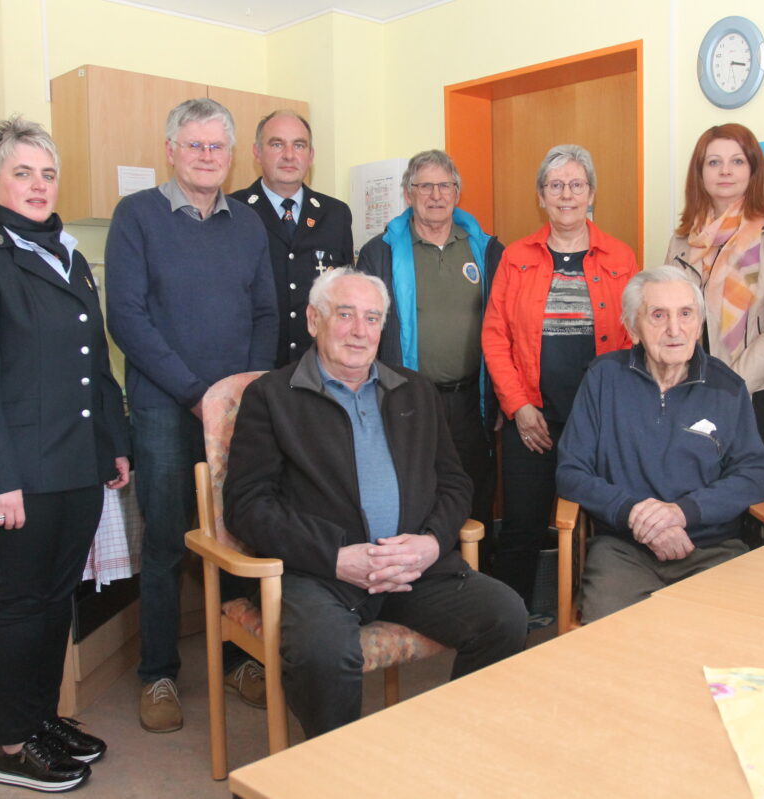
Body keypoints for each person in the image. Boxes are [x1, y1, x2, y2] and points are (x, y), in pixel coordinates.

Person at [222, 268, 527, 739]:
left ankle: (456, 743)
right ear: (313, 320)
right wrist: (335, 556)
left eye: (372, 318)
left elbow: (454, 482)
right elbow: (247, 504)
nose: (359, 331)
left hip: (414, 568)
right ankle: (337, 765)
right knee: (323, 653)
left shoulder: (415, 390)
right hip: (322, 573)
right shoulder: (271, 397)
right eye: (345, 315)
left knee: (505, 616)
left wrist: (430, 543)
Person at [0, 116, 128, 792]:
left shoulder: (69, 257)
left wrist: (113, 443)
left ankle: (40, 719)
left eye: (47, 174)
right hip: (13, 474)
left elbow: (95, 366)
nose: (39, 186)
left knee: (54, 600)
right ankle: (13, 745)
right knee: (17, 603)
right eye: (22, 173)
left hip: (74, 465)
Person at [105, 98, 278, 733]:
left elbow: (266, 312)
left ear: (231, 156)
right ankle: (158, 674)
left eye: (216, 147)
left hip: (233, 412)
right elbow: (126, 318)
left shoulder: (248, 225)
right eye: (195, 145)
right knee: (166, 541)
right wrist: (195, 393)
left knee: (235, 533)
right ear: (171, 151)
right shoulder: (137, 217)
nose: (206, 156)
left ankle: (236, 659)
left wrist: (243, 392)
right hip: (163, 407)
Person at [556, 266, 764, 623]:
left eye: (685, 314)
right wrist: (633, 513)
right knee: (611, 635)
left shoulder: (727, 387)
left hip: (709, 549)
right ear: (632, 328)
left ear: (699, 324)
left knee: (720, 631)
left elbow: (755, 474)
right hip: (624, 548)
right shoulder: (603, 379)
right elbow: (571, 472)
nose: (675, 329)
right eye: (658, 315)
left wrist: (681, 513)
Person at [481, 144, 635, 612]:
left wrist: (616, 412)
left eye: (576, 185)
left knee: (608, 524)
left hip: (600, 421)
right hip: (533, 420)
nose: (566, 195)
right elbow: (495, 337)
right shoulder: (516, 257)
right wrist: (518, 407)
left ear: (591, 193)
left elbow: (634, 338)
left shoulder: (620, 256)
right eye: (555, 186)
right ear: (541, 196)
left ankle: (597, 613)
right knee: (523, 525)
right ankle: (514, 621)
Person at [358, 150, 504, 542]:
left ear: (457, 192)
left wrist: (502, 398)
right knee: (414, 495)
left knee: (474, 493)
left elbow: (506, 328)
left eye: (444, 186)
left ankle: (474, 571)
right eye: (425, 186)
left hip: (472, 402)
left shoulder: (488, 250)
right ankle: (422, 571)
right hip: (407, 399)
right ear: (408, 194)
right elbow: (364, 330)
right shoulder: (380, 253)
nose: (436, 195)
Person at [663, 123, 764, 458]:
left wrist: (731, 386)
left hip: (754, 389)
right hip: (689, 389)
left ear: (753, 170)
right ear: (699, 174)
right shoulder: (683, 240)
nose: (725, 171)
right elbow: (667, 316)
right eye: (714, 162)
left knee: (743, 485)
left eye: (737, 161)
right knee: (691, 482)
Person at [230, 110, 354, 366]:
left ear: (311, 155)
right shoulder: (233, 211)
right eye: (277, 144)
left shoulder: (336, 214)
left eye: (299, 145)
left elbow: (346, 296)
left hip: (319, 367)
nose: (289, 155)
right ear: (257, 152)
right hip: (253, 367)